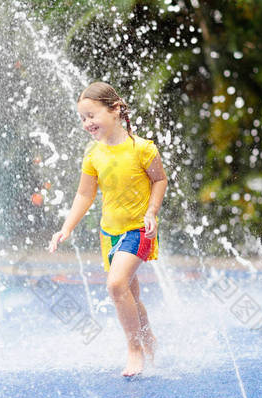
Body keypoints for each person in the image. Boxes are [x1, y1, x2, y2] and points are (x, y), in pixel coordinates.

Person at [49, 82, 167, 377]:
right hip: (110, 234)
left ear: (115, 110)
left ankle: (134, 348)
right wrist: (66, 228)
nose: (87, 123)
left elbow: (160, 180)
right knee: (131, 295)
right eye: (83, 118)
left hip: (138, 229)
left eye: (91, 115)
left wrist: (152, 211)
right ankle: (147, 335)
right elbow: (84, 195)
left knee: (116, 286)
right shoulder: (93, 155)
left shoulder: (142, 148)